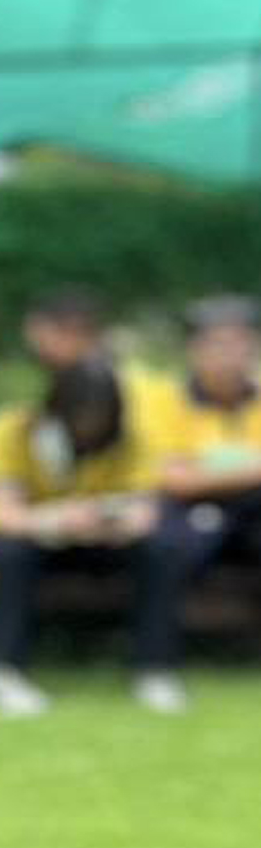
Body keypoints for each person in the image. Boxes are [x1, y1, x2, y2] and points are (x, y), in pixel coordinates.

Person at [0, 358, 163, 715]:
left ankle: (155, 668)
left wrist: (104, 521)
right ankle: (0, 670)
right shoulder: (10, 430)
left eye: (100, 418)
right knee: (12, 554)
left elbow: (144, 512)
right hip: (23, 536)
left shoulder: (131, 439)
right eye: (81, 416)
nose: (89, 427)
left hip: (97, 539)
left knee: (161, 549)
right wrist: (56, 520)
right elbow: (4, 513)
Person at [130, 294, 261, 710]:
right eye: (218, 345)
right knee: (164, 548)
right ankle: (155, 669)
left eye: (241, 343)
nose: (230, 356)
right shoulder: (162, 400)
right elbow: (176, 479)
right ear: (195, 349)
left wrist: (211, 471)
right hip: (186, 507)